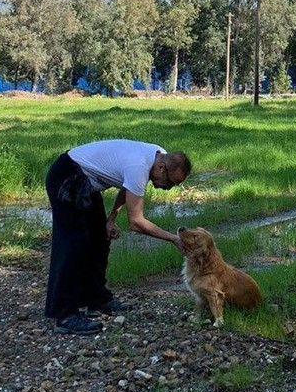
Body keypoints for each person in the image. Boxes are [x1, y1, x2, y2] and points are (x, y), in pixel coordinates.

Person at [44, 139, 192, 335]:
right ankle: (64, 314)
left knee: (99, 239)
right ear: (161, 166)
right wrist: (173, 238)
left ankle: (96, 299)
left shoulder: (157, 155)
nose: (167, 188)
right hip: (67, 176)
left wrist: (111, 218)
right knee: (73, 245)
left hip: (86, 181)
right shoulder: (139, 166)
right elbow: (136, 222)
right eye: (169, 183)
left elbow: (127, 186)